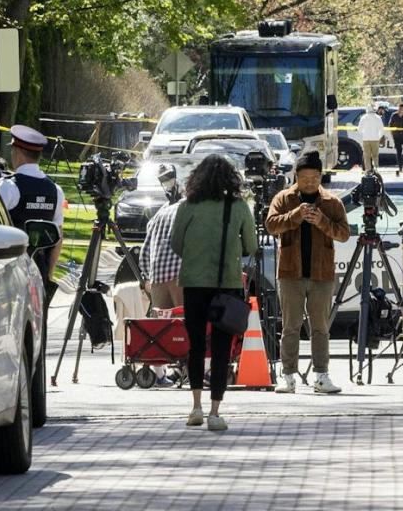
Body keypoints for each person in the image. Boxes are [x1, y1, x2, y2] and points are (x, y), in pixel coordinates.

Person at [170, 154, 258, 431]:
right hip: (227, 283)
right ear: (231, 179)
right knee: (222, 349)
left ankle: (194, 406)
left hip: (194, 283)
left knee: (196, 345)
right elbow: (251, 246)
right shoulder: (239, 207)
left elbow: (176, 243)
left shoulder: (186, 206)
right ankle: (215, 411)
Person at [266, 151, 350, 394]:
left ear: (320, 176)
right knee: (290, 326)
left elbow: (343, 234)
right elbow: (271, 225)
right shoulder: (284, 198)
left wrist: (321, 220)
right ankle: (288, 376)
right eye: (304, 177)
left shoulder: (332, 202)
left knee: (320, 327)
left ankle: (321, 376)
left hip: (321, 274)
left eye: (314, 177)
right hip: (290, 273)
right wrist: (295, 215)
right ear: (296, 176)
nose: (310, 182)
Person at [0, 125, 64, 282]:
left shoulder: (8, 187)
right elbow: (58, 237)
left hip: (10, 275)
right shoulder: (55, 190)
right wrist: (49, 274)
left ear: (17, 152)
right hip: (39, 273)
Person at [138, 174, 183, 389]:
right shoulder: (187, 209)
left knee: (159, 327)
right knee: (183, 323)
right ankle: (187, 369)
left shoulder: (160, 212)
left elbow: (145, 248)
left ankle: (157, 373)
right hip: (180, 272)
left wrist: (147, 276)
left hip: (157, 274)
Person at [357, 105, 387, 173]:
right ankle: (375, 168)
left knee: (366, 155)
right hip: (375, 139)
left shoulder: (363, 118)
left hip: (366, 139)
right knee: (375, 155)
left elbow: (359, 129)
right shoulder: (378, 118)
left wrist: (364, 135)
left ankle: (368, 170)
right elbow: (382, 130)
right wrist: (378, 137)